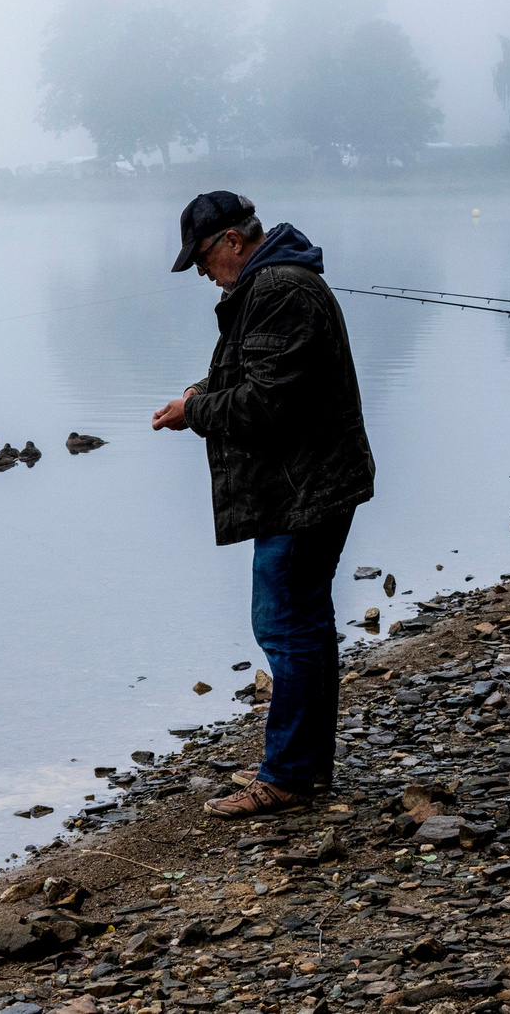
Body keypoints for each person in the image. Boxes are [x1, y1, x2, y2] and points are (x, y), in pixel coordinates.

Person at [153, 190, 376, 819]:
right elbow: (258, 374)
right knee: (303, 623)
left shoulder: (279, 289)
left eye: (200, 257)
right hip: (305, 482)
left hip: (304, 489)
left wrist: (193, 411)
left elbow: (266, 404)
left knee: (284, 625)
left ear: (230, 241)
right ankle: (306, 769)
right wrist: (202, 391)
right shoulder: (267, 286)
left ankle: (286, 778)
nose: (200, 272)